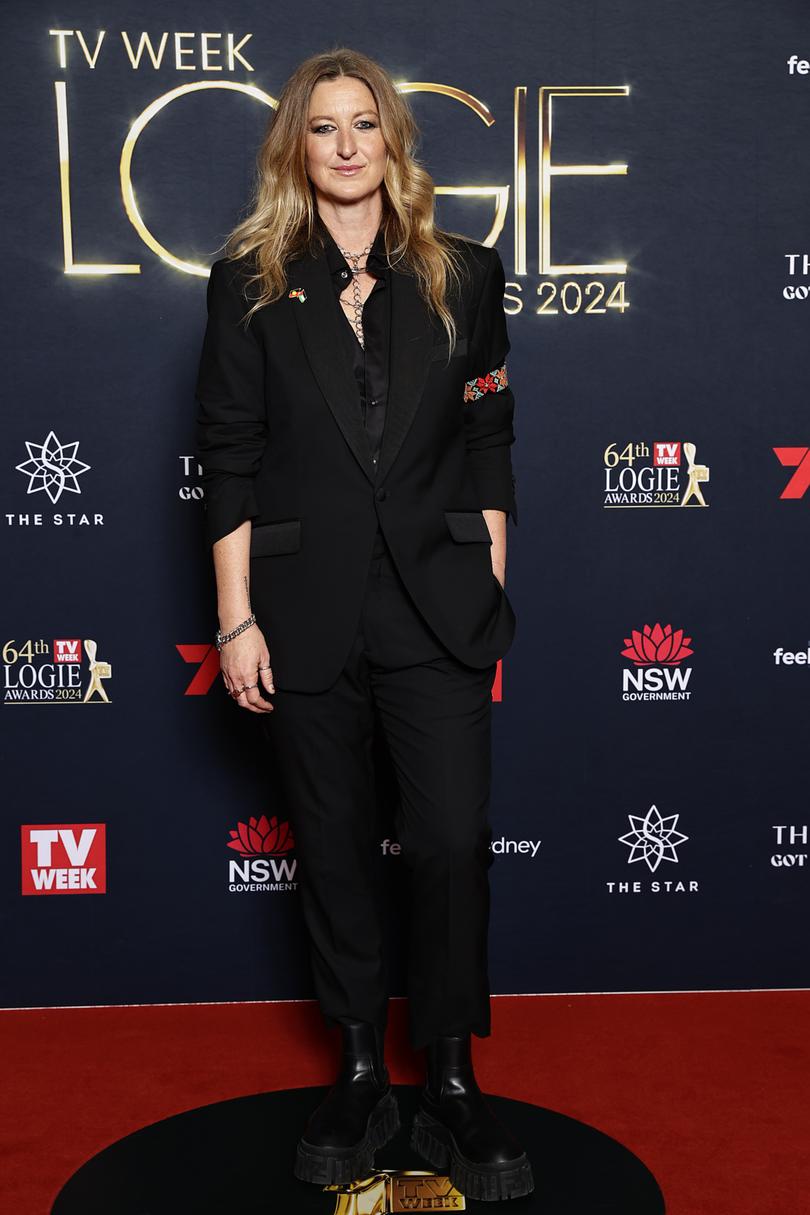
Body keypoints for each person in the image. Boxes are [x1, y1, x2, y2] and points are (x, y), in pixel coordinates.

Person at [194, 46, 532, 1203]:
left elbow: (491, 444)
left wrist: (490, 578)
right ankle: (353, 1066)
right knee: (333, 846)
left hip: (438, 607)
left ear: (395, 141)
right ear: (297, 146)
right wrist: (236, 622)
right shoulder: (246, 280)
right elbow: (229, 458)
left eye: (365, 125)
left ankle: (448, 1073)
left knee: (446, 844)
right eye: (324, 128)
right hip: (304, 612)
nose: (346, 146)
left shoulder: (465, 275)